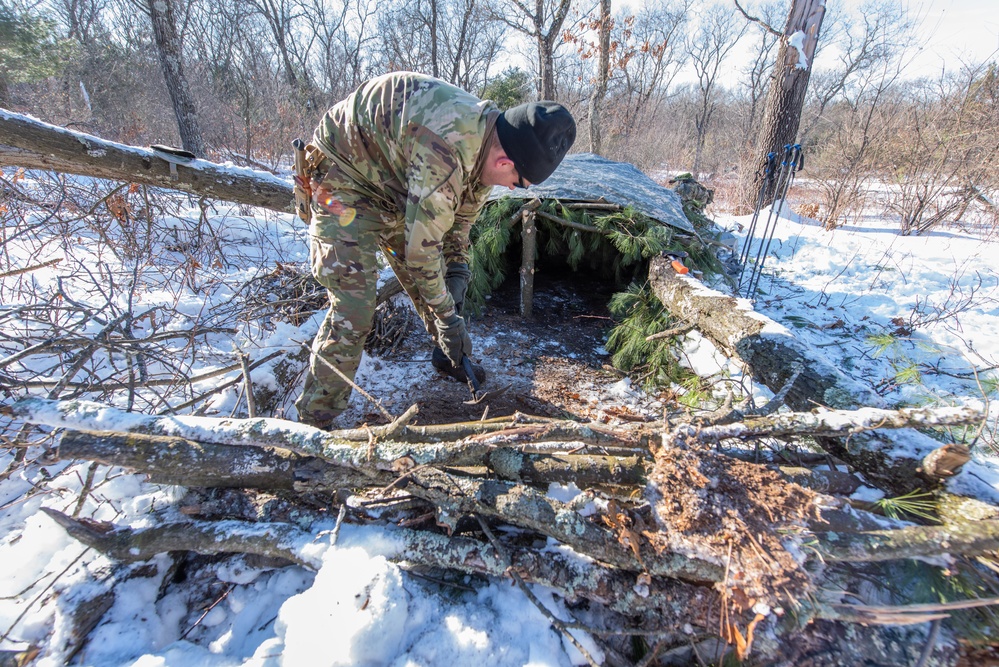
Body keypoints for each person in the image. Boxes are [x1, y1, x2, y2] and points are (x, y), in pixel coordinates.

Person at [294, 71, 576, 428]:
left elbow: (458, 227)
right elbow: (421, 255)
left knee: (439, 281)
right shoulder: (448, 150)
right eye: (518, 183)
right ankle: (312, 422)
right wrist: (447, 317)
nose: (511, 188)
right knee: (355, 306)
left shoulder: (489, 140)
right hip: (341, 183)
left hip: (394, 185)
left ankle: (449, 356)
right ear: (505, 163)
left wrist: (457, 270)